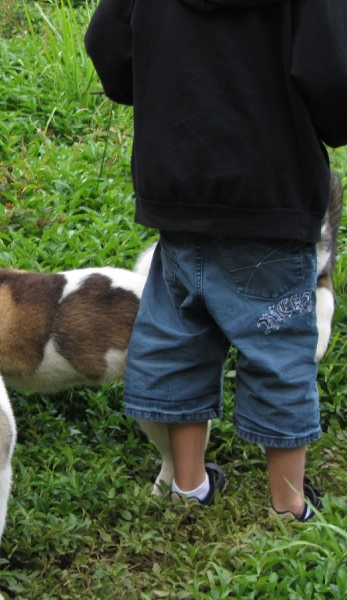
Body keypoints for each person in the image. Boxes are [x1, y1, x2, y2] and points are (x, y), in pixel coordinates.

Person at [85, 0, 347, 521]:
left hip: (178, 187)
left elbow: (109, 50)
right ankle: (288, 503)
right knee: (278, 351)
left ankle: (189, 487)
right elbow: (332, 75)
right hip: (272, 193)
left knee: (181, 339)